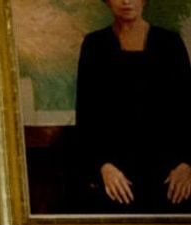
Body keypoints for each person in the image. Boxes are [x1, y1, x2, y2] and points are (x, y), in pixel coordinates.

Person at [76, 0, 191, 212]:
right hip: (115, 173)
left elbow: (187, 110)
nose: (126, 1)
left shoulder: (170, 43)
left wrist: (186, 165)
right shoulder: (94, 45)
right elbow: (86, 116)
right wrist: (103, 167)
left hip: (169, 173)